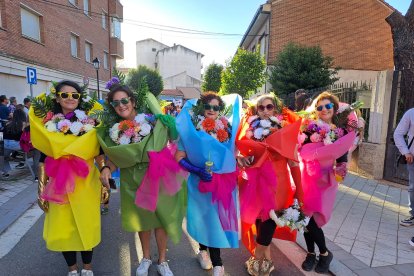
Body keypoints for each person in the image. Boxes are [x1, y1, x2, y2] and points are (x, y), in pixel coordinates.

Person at [98, 81, 186, 276]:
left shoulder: (152, 120)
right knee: (143, 221)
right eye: (115, 103)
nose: (121, 105)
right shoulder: (114, 130)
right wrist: (106, 168)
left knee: (162, 218)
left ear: (133, 101)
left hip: (159, 174)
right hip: (133, 178)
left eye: (124, 100)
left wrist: (169, 126)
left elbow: (172, 138)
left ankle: (162, 260)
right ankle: (146, 258)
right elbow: (115, 158)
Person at [30, 80, 106, 276]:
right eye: (65, 95)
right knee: (64, 226)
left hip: (86, 181)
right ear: (57, 98)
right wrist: (40, 189)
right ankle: (72, 270)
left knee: (87, 223)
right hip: (59, 183)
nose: (70, 98)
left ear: (80, 99)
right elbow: (44, 158)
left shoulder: (90, 122)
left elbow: (98, 152)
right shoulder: (48, 124)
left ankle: (87, 269)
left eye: (75, 95)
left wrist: (105, 181)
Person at [175, 92, 241, 276]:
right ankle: (203, 252)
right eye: (208, 107)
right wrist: (196, 170)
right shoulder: (191, 130)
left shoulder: (226, 129)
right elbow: (179, 157)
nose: (211, 110)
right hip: (199, 182)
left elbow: (232, 152)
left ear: (220, 110)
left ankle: (218, 262)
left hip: (220, 182)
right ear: (201, 108)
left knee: (215, 220)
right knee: (202, 217)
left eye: (216, 107)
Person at [236, 93, 302, 276]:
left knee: (270, 220)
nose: (265, 111)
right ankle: (269, 260)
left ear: (276, 109)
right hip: (254, 184)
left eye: (269, 107)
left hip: (278, 185)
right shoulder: (248, 128)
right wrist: (241, 157)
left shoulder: (285, 129)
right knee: (259, 220)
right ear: (256, 110)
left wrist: (300, 191)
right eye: (261, 107)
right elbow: (240, 152)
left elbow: (294, 163)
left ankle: (257, 260)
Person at [299, 92, 355, 273]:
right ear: (315, 111)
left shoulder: (341, 132)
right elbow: (302, 149)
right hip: (307, 176)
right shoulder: (309, 128)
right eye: (320, 107)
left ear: (334, 108)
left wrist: (341, 168)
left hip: (326, 179)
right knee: (305, 217)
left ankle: (323, 253)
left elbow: (342, 157)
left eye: (327, 106)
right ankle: (312, 253)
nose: (324, 110)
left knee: (313, 218)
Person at [394, 108, 414, 230]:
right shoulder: (411, 113)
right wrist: (406, 152)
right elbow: (398, 133)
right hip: (413, 158)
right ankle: (413, 215)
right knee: (413, 187)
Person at [1, 109, 27, 178]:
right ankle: (22, 161)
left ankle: (5, 172)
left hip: (6, 145)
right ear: (23, 115)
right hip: (18, 145)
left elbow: (2, 135)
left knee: (2, 155)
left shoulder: (8, 123)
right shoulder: (24, 124)